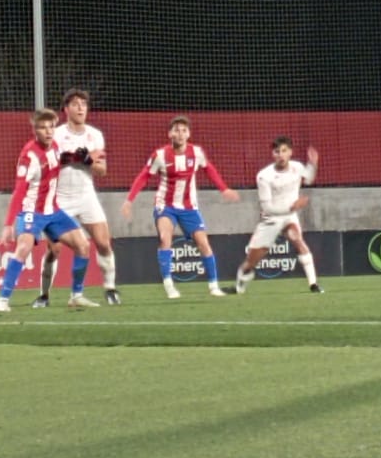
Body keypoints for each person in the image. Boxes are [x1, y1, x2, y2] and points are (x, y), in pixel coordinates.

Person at [122, 115, 240, 298]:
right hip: (165, 205)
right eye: (176, 130)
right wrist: (130, 200)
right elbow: (144, 176)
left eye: (184, 130)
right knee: (164, 237)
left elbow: (209, 169)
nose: (181, 134)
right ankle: (169, 285)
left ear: (189, 134)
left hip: (189, 207)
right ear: (170, 134)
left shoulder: (196, 153)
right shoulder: (160, 155)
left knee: (203, 243)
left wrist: (223, 189)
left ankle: (214, 287)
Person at [0, 109, 93, 312]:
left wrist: (78, 157)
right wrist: (8, 224)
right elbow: (19, 191)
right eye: (43, 127)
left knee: (83, 246)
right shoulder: (29, 157)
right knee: (23, 248)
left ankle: (76, 295)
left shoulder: (55, 146)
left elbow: (59, 160)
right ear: (35, 130)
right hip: (32, 211)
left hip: (54, 211)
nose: (48, 131)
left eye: (51, 127)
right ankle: (3, 300)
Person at [33, 88, 119, 308]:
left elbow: (102, 170)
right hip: (59, 197)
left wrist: (88, 161)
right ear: (66, 109)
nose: (81, 107)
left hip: (86, 196)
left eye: (84, 104)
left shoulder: (95, 135)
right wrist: (77, 157)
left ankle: (110, 288)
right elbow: (50, 160)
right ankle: (44, 295)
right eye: (76, 104)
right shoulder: (58, 133)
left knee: (103, 242)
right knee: (55, 249)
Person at [236, 137, 323, 294]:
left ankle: (313, 284)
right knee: (252, 260)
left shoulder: (297, 167)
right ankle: (241, 281)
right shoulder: (264, 176)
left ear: (290, 152)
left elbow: (309, 179)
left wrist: (313, 164)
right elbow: (267, 207)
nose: (281, 155)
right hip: (271, 219)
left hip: (289, 217)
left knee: (297, 238)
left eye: (284, 151)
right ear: (272, 154)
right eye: (277, 151)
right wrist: (292, 207)